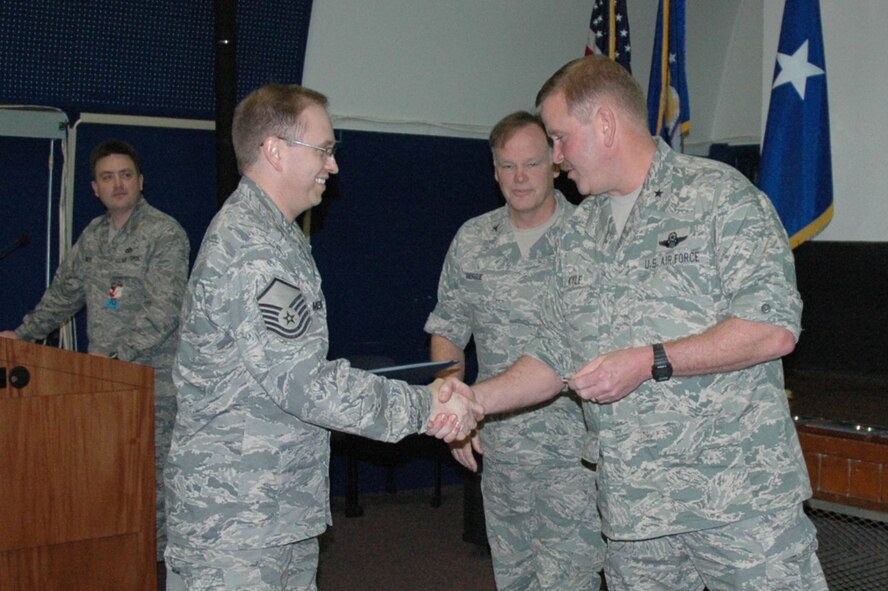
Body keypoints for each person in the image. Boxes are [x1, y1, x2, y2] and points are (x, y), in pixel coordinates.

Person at [437, 55, 827, 590]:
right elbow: (553, 354)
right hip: (634, 515)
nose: (555, 158)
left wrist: (650, 362)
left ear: (604, 123)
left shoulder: (718, 196)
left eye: (559, 138)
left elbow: (772, 328)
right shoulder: (579, 233)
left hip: (738, 503)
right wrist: (479, 399)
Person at [163, 83, 482, 591]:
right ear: (274, 150)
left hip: (273, 511)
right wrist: (425, 408)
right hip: (238, 525)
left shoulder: (279, 237)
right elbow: (307, 385)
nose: (332, 166)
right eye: (324, 150)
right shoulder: (252, 249)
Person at [425, 111, 603, 590]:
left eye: (531, 164)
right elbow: (447, 331)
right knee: (515, 580)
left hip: (573, 456)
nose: (519, 178)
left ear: (555, 164)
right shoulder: (474, 240)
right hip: (500, 450)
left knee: (569, 583)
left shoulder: (590, 237)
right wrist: (454, 411)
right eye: (507, 166)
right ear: (494, 170)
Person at [0, 139, 189, 561]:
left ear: (140, 182)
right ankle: (118, 567)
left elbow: (164, 312)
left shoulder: (164, 234)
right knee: (108, 481)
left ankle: (157, 569)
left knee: (152, 484)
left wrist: (118, 358)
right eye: (108, 177)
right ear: (95, 189)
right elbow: (63, 296)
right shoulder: (93, 236)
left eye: (125, 175)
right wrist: (23, 335)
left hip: (151, 387)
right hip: (102, 387)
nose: (117, 184)